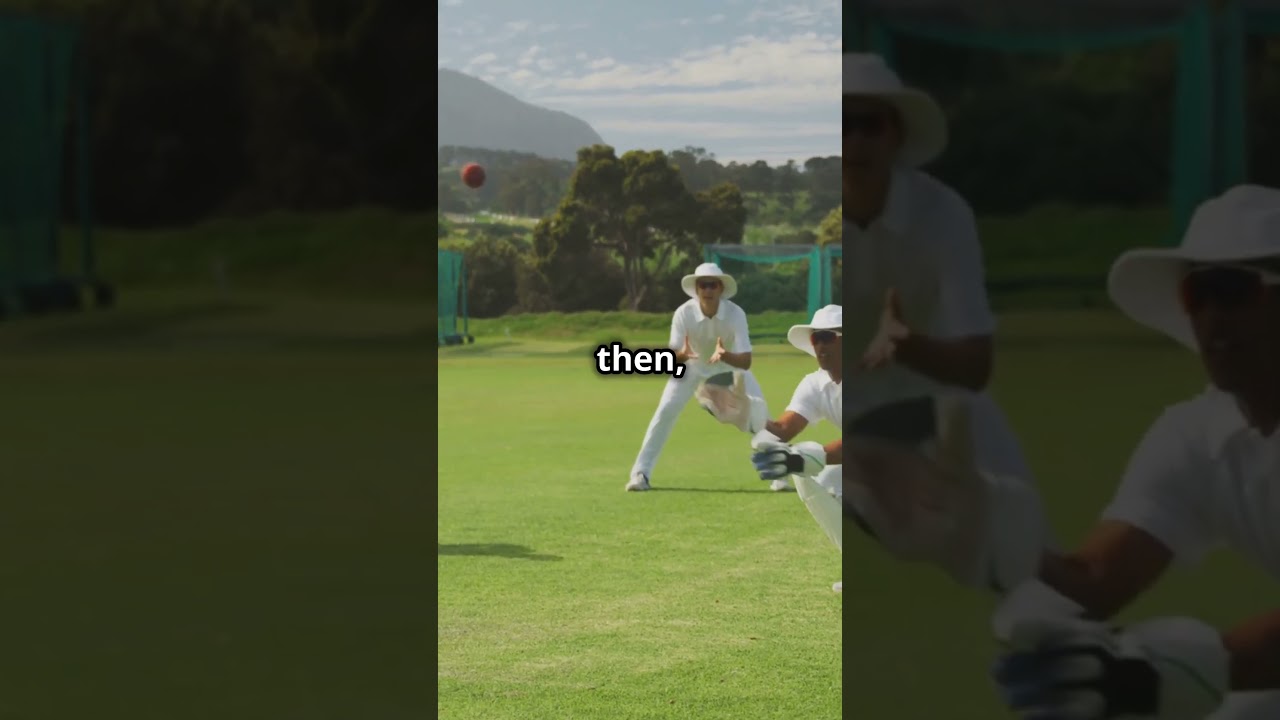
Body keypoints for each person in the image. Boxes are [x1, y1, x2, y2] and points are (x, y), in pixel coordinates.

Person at [840, 186, 1280, 719]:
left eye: (1232, 289)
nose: (1210, 316)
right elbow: (1093, 582)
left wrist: (1188, 669)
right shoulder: (1197, 437)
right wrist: (985, 536)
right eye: (1196, 296)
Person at [840, 52, 1033, 499]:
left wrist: (906, 346)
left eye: (870, 125)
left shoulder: (943, 214)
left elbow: (975, 368)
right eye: (841, 125)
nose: (854, 141)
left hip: (932, 408)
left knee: (1019, 519)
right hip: (835, 417)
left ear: (896, 136)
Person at [627, 263, 779, 491]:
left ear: (720, 289)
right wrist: (683, 354)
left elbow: (746, 361)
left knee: (761, 415)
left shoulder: (735, 314)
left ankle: (781, 474)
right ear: (697, 289)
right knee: (665, 411)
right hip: (691, 367)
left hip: (728, 366)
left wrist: (725, 354)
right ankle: (640, 474)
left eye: (712, 285)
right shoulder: (683, 314)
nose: (708, 289)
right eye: (703, 285)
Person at [749, 305, 844, 592]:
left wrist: (810, 456)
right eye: (816, 339)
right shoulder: (814, 384)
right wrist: (746, 417)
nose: (820, 345)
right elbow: (784, 429)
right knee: (816, 481)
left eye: (827, 336)